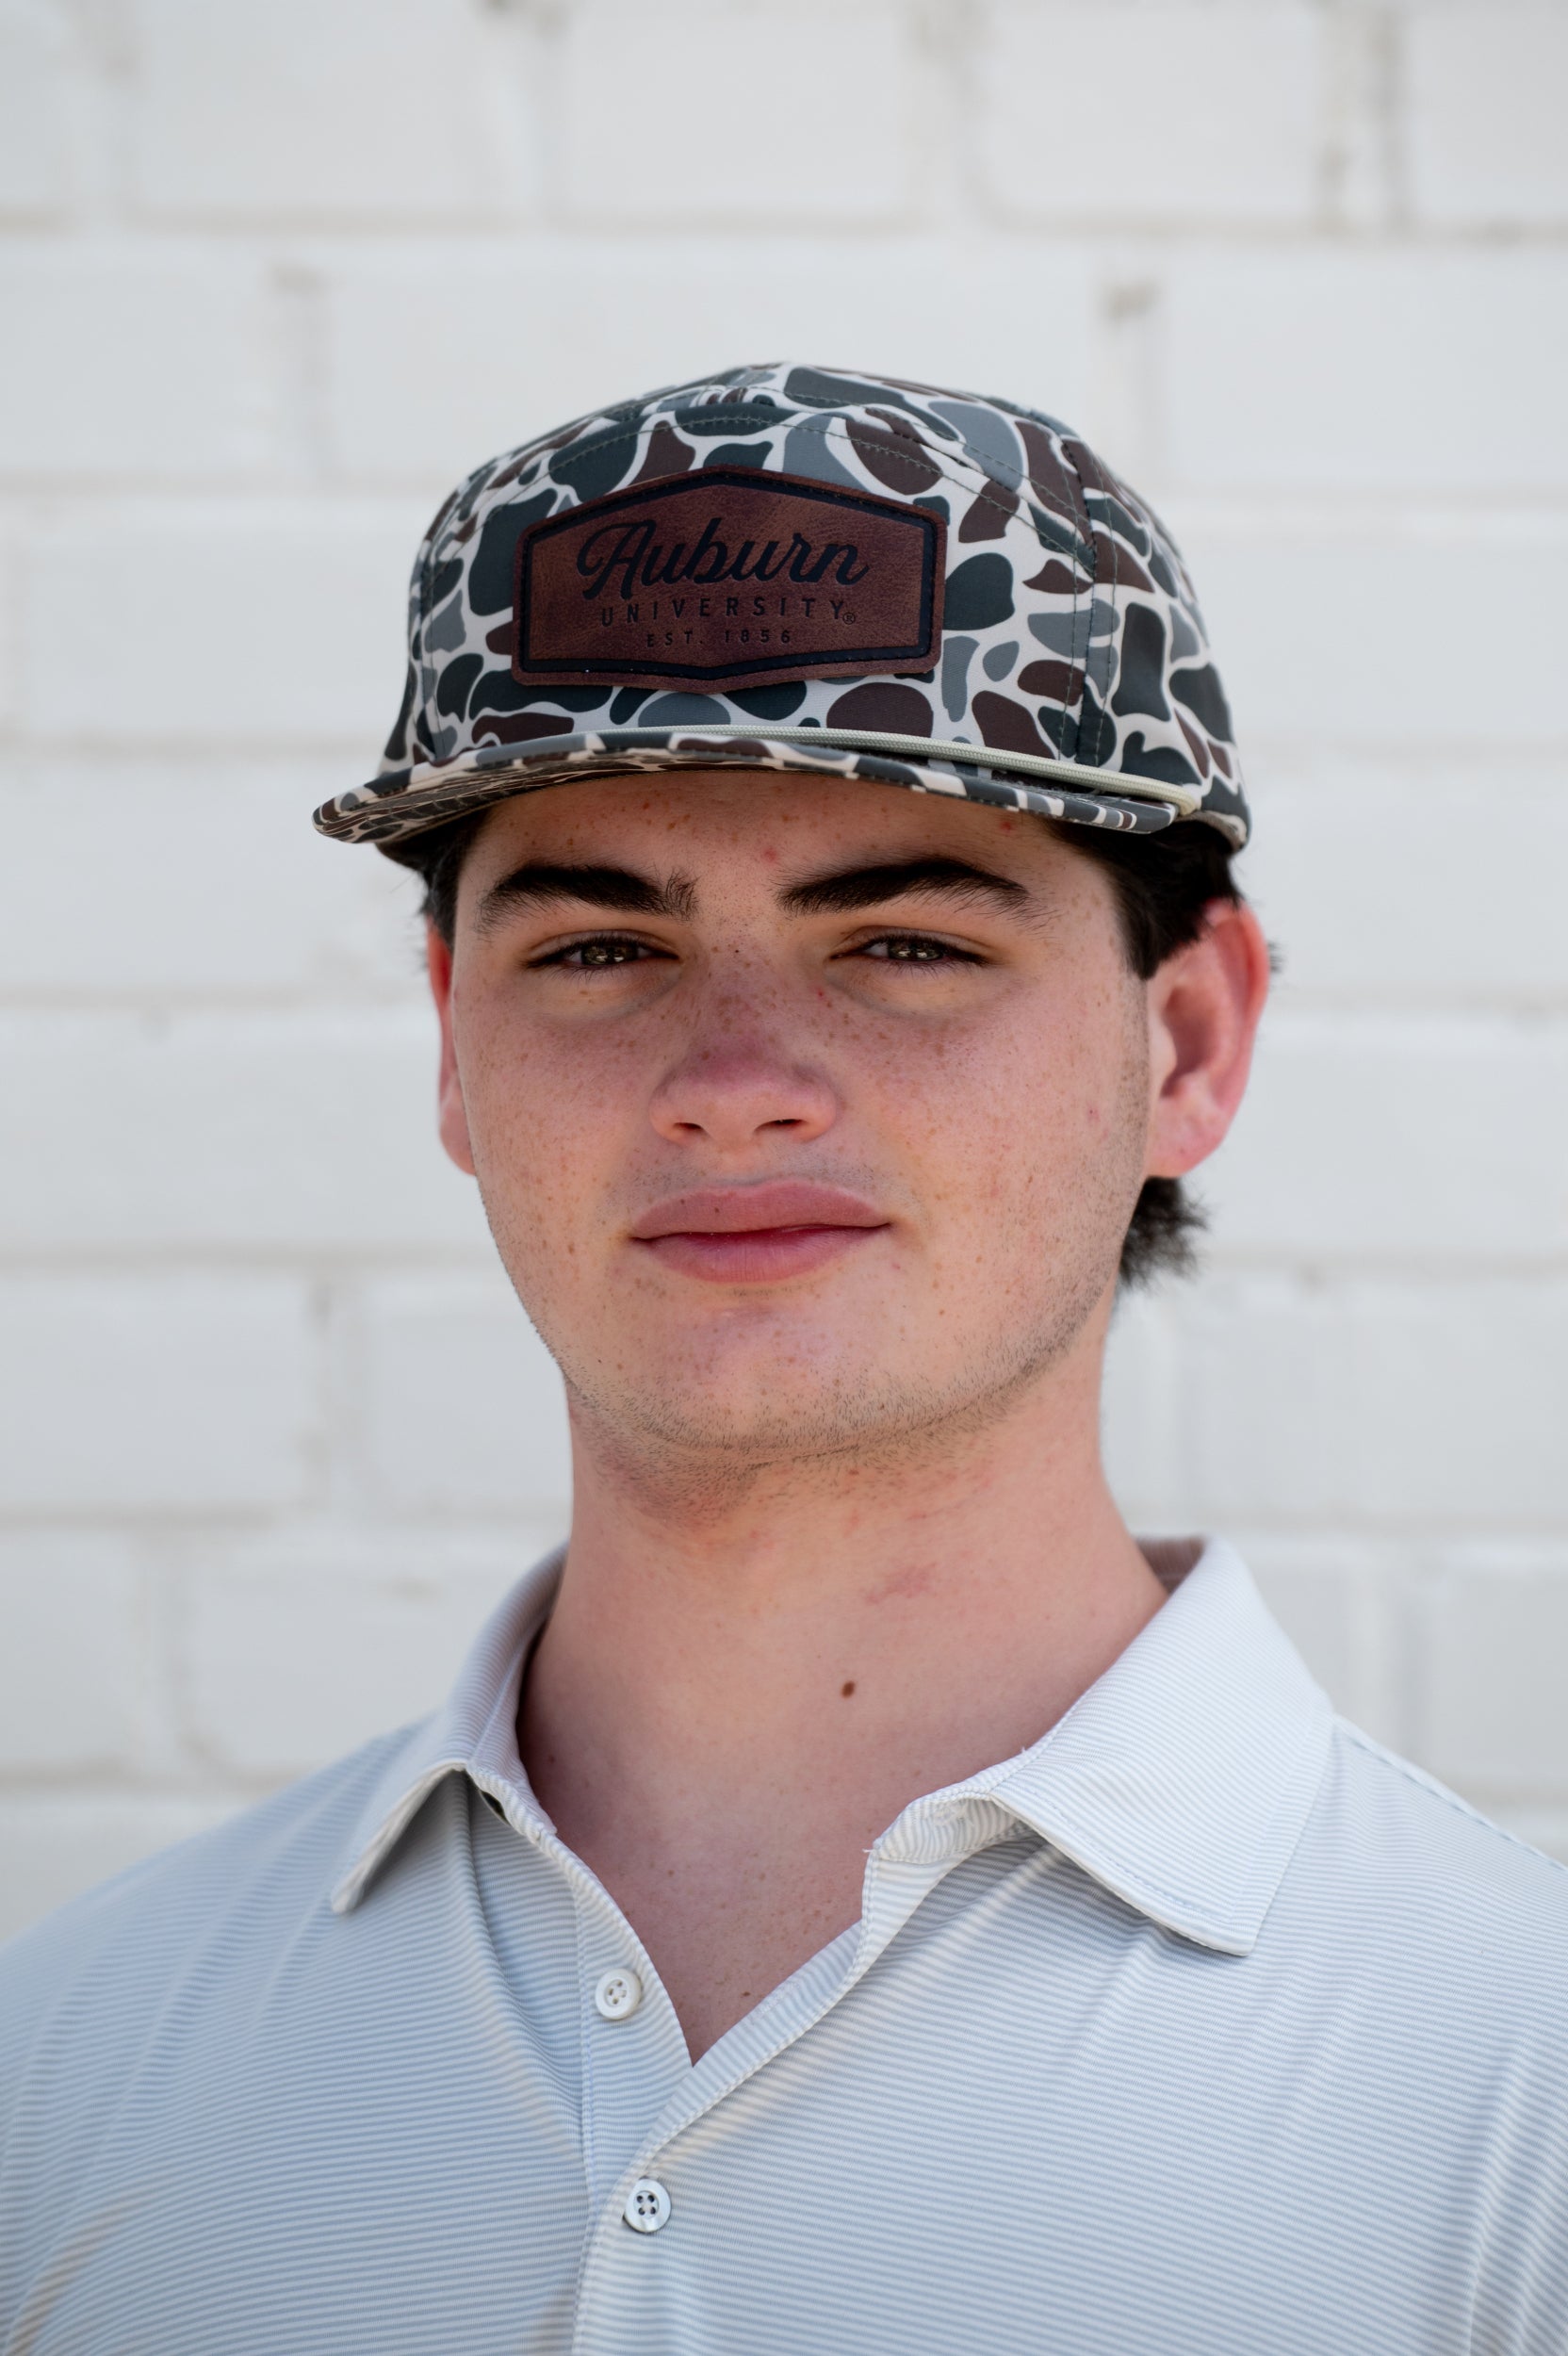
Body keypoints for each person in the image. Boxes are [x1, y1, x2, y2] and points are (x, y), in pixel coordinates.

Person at [2, 363, 1564, 2355]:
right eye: (595, 948)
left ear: (1185, 1043)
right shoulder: (75, 2063)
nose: (733, 1084)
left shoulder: (1510, 2092)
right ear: (451, 1042)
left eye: (902, 939)